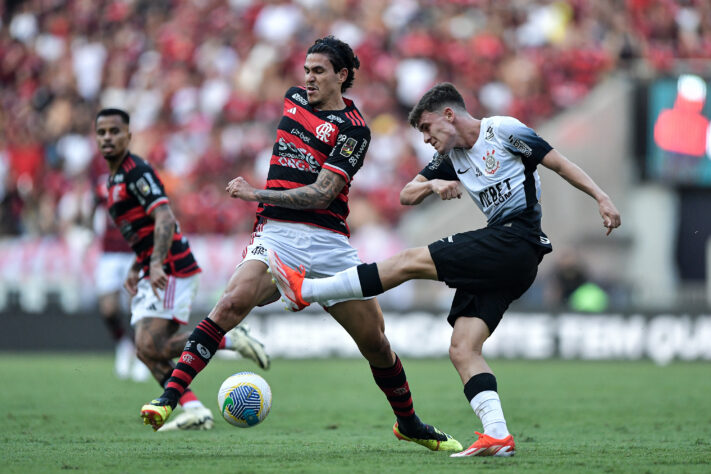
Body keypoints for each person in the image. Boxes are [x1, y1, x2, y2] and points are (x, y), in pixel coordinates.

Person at [140, 36, 461, 452]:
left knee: (376, 345)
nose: (308, 78)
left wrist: (258, 193)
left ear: (342, 76)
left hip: (330, 244)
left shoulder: (354, 130)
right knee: (229, 304)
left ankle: (410, 423)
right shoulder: (292, 98)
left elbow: (323, 193)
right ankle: (169, 399)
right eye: (306, 70)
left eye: (319, 71)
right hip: (278, 236)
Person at [267, 82, 622, 457]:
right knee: (463, 348)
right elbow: (406, 194)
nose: (425, 139)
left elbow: (559, 163)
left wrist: (601, 197)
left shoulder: (503, 131)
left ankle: (306, 291)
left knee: (408, 262)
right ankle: (498, 435)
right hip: (509, 260)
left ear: (449, 115)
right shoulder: (450, 157)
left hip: (517, 240)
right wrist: (432, 184)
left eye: (427, 128)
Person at [95, 108, 270, 431]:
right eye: (102, 132)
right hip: (155, 265)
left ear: (128, 136)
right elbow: (143, 230)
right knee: (146, 350)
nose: (108, 138)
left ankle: (229, 341)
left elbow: (163, 217)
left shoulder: (136, 172)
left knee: (151, 346)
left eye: (114, 131)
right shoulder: (114, 178)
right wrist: (138, 264)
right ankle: (195, 409)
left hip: (172, 266)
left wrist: (157, 262)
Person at [91, 168, 150, 382]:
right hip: (108, 253)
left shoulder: (139, 182)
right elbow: (97, 212)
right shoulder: (101, 184)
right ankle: (123, 345)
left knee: (135, 304)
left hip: (132, 252)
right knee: (108, 308)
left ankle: (140, 354)